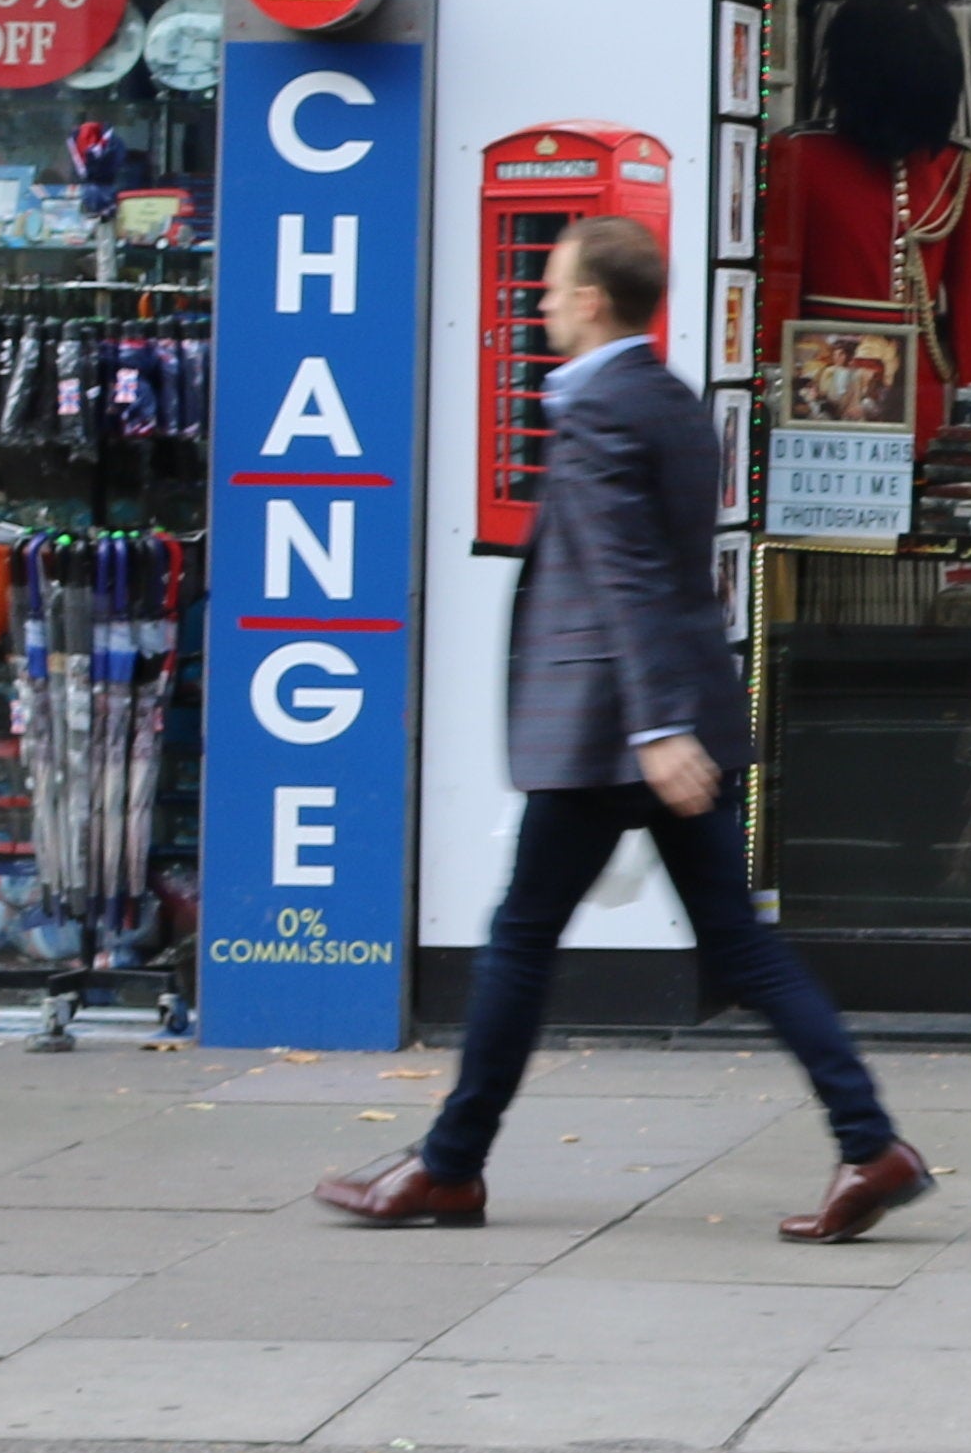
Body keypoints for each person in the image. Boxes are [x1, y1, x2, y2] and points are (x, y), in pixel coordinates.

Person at [315, 215, 927, 1243]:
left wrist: (655, 724)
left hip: (615, 729)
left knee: (519, 942)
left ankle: (451, 1167)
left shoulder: (599, 409)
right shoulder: (672, 398)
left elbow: (627, 576)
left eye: (553, 289)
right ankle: (872, 1145)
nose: (542, 303)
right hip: (669, 713)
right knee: (740, 944)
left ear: (595, 299)